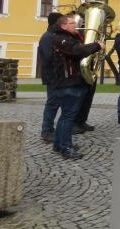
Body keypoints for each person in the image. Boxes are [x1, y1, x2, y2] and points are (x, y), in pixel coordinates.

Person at [50, 15, 104, 159]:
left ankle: (59, 144)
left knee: (65, 116)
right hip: (68, 82)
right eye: (72, 23)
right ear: (63, 26)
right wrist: (97, 45)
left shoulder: (68, 37)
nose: (76, 24)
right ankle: (66, 147)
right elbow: (78, 51)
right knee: (68, 117)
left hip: (71, 82)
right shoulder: (61, 39)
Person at [39, 12, 64, 143]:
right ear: (56, 23)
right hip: (52, 76)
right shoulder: (48, 37)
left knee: (55, 103)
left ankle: (50, 130)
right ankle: (47, 131)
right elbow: (49, 57)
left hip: (56, 75)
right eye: (62, 22)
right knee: (52, 104)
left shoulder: (54, 35)